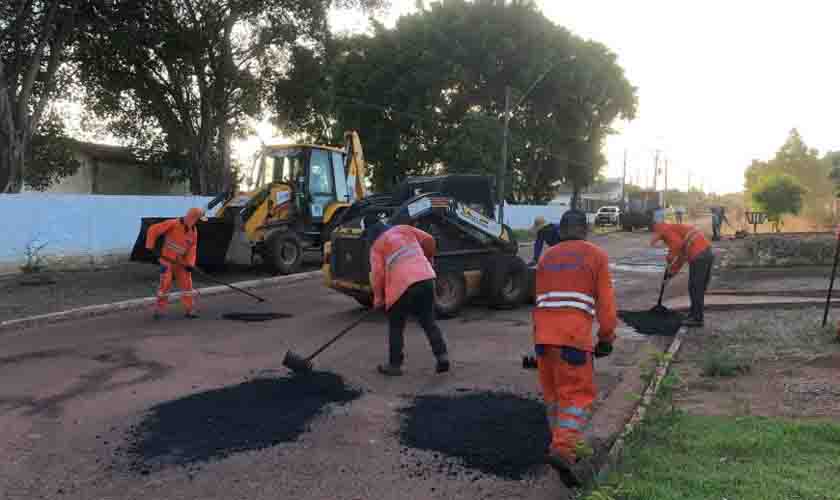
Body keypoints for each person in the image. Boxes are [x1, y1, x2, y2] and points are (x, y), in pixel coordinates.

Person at [532, 210, 617, 486]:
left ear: (561, 230)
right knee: (577, 397)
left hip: (543, 339)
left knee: (555, 396)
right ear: (585, 229)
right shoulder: (596, 256)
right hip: (573, 340)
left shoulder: (547, 256)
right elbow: (606, 307)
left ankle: (563, 446)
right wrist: (606, 338)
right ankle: (563, 449)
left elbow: (540, 300)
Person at [366, 220, 449, 376]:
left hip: (401, 286)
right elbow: (429, 240)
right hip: (426, 279)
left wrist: (378, 298)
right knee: (428, 321)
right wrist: (429, 260)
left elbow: (377, 275)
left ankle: (394, 366)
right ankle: (442, 356)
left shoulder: (377, 246)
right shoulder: (404, 229)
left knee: (396, 326)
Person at [650, 220, 714, 327]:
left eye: (660, 238)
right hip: (706, 253)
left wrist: (670, 258)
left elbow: (677, 246)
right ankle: (694, 314)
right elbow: (681, 255)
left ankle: (697, 319)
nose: (662, 240)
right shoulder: (675, 229)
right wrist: (672, 271)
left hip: (699, 254)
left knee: (695, 287)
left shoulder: (667, 231)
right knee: (698, 287)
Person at [145, 208, 204, 319]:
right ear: (193, 218)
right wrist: (150, 247)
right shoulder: (173, 224)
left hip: (181, 262)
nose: (198, 222)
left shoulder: (193, 231)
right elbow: (153, 230)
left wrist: (190, 264)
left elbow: (192, 248)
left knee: (187, 283)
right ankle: (159, 310)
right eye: (198, 219)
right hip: (166, 260)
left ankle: (190, 310)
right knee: (165, 284)